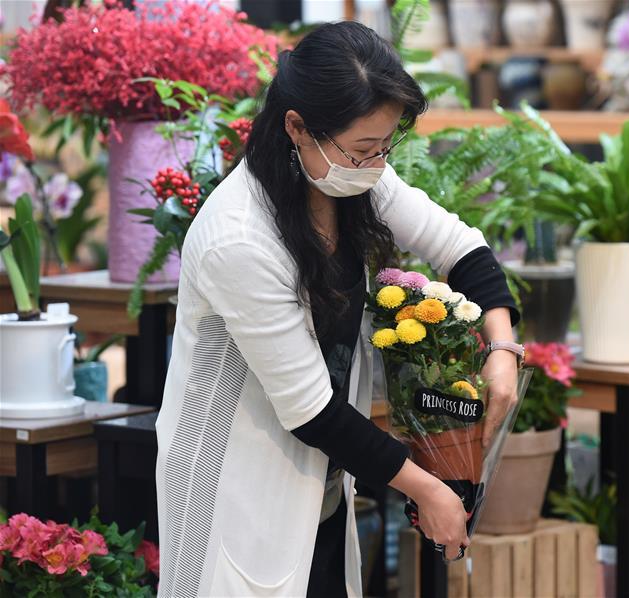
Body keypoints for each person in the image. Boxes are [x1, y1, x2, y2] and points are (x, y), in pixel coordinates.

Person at [155, 21, 522, 597]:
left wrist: (501, 349)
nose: (376, 163)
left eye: (385, 146)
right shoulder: (239, 239)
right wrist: (427, 488)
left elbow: (460, 246)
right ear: (297, 127)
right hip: (234, 479)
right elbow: (311, 411)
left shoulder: (350, 177)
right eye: (362, 148)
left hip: (322, 478)